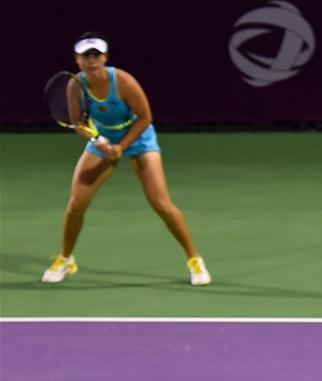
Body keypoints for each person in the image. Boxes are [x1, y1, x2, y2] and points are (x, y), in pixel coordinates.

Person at [41, 33, 211, 287]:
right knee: (76, 203)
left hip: (139, 138)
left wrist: (121, 146)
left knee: (161, 203)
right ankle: (66, 259)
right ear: (77, 60)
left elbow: (145, 118)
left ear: (105, 57)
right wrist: (98, 141)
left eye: (96, 55)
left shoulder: (123, 81)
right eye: (86, 56)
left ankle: (195, 260)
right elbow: (78, 123)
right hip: (104, 140)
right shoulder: (75, 85)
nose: (92, 61)